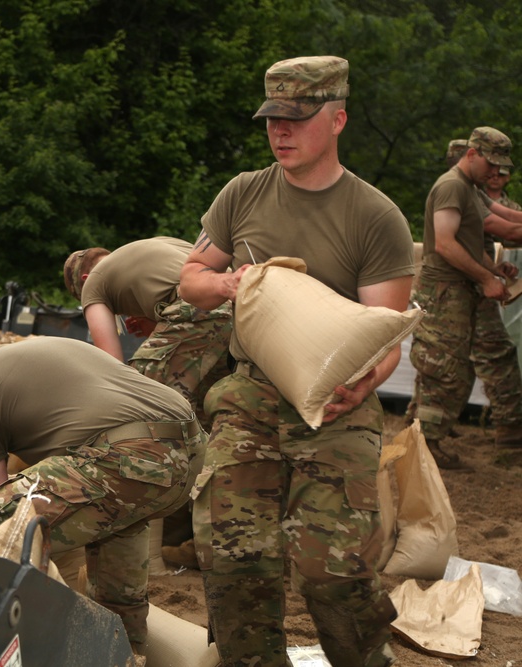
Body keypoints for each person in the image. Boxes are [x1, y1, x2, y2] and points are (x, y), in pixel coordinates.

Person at [178, 56, 413, 667]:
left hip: (337, 405)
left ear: (337, 120)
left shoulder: (375, 216)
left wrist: (361, 387)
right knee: (233, 556)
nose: (280, 131)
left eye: (297, 118)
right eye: (272, 119)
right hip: (250, 395)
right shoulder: (244, 193)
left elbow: (383, 337)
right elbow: (190, 279)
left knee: (329, 570)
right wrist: (229, 286)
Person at [0, 311, 205, 657]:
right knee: (114, 595)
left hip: (128, 457)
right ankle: (124, 658)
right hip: (185, 455)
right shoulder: (44, 350)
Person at [407, 127, 522, 468]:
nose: (496, 173)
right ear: (471, 154)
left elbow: (500, 223)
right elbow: (445, 243)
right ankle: (424, 447)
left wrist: (493, 269)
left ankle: (427, 443)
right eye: (491, 163)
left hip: (457, 291)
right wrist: (488, 277)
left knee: (452, 369)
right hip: (444, 292)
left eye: (501, 166)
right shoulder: (452, 186)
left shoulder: (469, 187)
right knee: (443, 369)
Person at [63, 237, 233, 430]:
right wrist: (157, 326)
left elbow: (111, 365)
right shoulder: (153, 246)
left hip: (198, 309)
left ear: (85, 281)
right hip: (238, 302)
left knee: (146, 398)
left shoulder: (93, 283)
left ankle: (162, 457)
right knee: (213, 400)